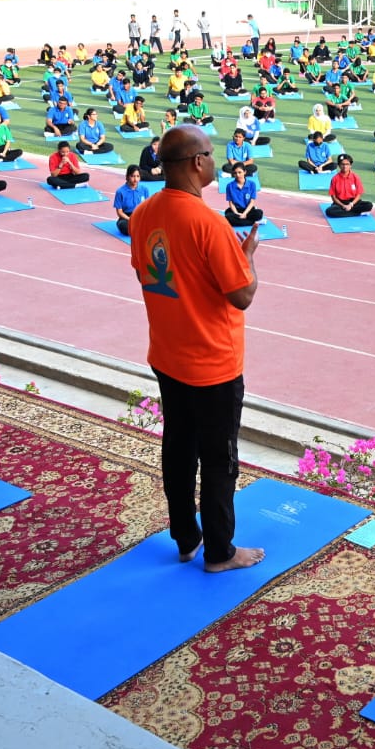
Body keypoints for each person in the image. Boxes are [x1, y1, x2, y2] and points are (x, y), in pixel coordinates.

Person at [127, 125, 265, 572]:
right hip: (212, 364)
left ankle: (186, 538)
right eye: (211, 153)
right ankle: (220, 552)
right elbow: (241, 294)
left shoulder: (145, 214)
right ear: (195, 163)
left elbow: (146, 273)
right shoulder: (209, 223)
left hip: (168, 355)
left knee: (179, 448)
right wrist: (246, 258)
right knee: (220, 459)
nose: (216, 161)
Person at [113, 164, 150, 235]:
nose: (135, 179)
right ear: (127, 177)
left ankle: (140, 228)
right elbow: (119, 212)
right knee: (124, 226)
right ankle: (141, 229)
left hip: (140, 215)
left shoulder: (144, 189)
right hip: (127, 217)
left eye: (137, 176)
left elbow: (147, 207)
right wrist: (130, 219)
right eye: (132, 176)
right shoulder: (120, 191)